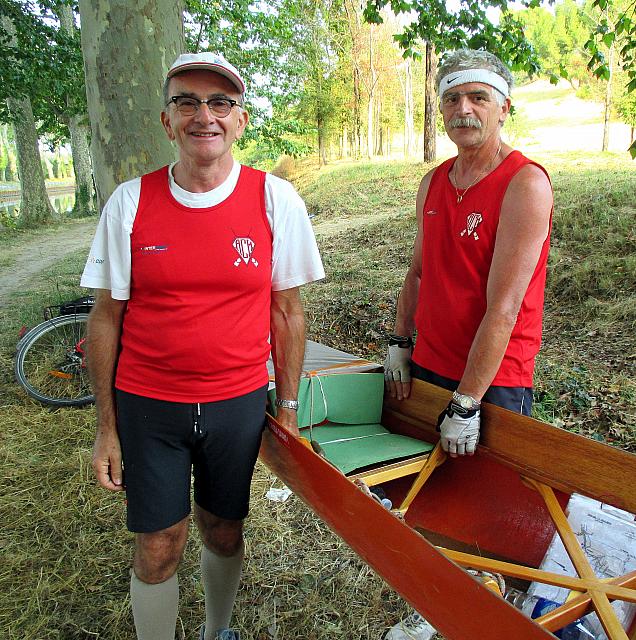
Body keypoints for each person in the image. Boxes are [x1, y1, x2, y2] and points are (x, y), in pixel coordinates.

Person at [80, 52, 324, 640]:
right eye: (186, 101)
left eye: (220, 103)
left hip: (236, 403)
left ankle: (219, 631)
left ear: (240, 120)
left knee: (224, 529)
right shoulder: (130, 203)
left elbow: (287, 310)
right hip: (149, 404)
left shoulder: (275, 200)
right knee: (159, 544)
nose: (203, 116)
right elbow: (106, 318)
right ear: (166, 121)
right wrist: (107, 427)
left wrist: (286, 408)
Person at [382, 48, 553, 639]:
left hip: (492, 381)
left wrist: (467, 401)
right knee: (432, 498)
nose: (464, 109)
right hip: (429, 364)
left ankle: (495, 620)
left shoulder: (523, 183)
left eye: (478, 97)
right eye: (452, 98)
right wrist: (400, 342)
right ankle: (438, 611)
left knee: (493, 515)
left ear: (504, 107)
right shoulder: (435, 180)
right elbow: (418, 272)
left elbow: (504, 305)